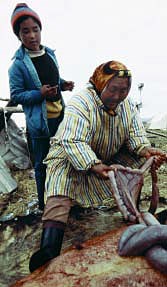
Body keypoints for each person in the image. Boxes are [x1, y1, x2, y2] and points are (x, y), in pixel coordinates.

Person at [29, 60, 166, 272]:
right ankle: (49, 246)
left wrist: (146, 151)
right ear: (102, 85)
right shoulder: (81, 102)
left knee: (138, 163)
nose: (118, 96)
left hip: (106, 157)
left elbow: (135, 137)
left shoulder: (126, 106)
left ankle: (131, 215)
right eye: (113, 90)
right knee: (60, 183)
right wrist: (94, 164)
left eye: (124, 90)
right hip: (72, 156)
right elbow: (72, 141)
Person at [9, 3, 74, 211]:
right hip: (40, 125)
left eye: (35, 30)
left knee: (63, 160)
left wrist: (63, 84)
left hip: (59, 119)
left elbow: (51, 78)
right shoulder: (17, 65)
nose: (32, 36)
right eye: (25, 31)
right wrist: (39, 94)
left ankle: (63, 198)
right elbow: (16, 95)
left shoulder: (49, 54)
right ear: (19, 35)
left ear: (41, 30)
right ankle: (44, 204)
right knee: (42, 165)